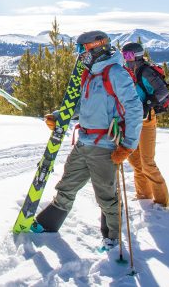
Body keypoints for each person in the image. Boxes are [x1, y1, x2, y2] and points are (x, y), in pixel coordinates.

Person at [33, 31, 143, 250]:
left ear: (96, 48)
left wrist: (128, 145)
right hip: (84, 142)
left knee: (106, 196)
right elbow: (82, 106)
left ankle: (112, 238)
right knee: (66, 185)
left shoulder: (116, 73)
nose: (79, 55)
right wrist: (59, 116)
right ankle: (48, 225)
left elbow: (134, 109)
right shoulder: (90, 74)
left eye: (82, 50)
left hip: (104, 146)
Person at [121, 42, 169, 207]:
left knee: (147, 162)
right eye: (124, 55)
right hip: (130, 120)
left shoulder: (146, 71)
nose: (126, 59)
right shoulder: (127, 72)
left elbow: (163, 91)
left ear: (137, 55)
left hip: (146, 120)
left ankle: (162, 202)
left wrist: (148, 103)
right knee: (135, 161)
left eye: (128, 55)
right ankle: (143, 195)